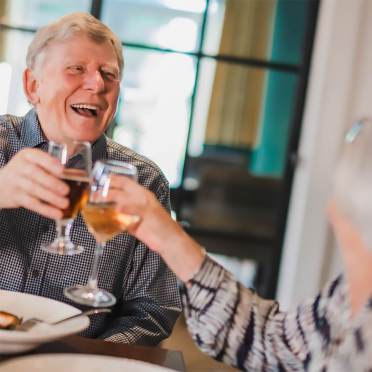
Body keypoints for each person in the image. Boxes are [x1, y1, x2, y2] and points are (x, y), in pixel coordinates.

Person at [109, 120, 372, 370]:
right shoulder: (343, 295)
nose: (330, 209)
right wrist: (170, 239)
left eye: (337, 195)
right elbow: (271, 341)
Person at [0, 12, 181, 345]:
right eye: (76, 69)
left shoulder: (144, 181)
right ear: (32, 85)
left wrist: (87, 361)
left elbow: (153, 310)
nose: (97, 84)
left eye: (108, 74)